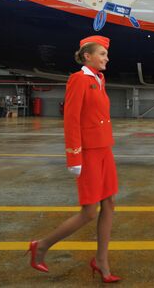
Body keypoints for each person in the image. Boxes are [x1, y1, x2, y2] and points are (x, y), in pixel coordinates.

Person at [27, 35, 121, 283]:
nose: (106, 58)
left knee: (109, 204)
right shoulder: (78, 80)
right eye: (102, 54)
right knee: (89, 212)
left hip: (104, 149)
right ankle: (42, 246)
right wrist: (74, 156)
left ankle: (101, 260)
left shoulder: (99, 79)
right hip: (89, 152)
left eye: (106, 54)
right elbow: (71, 120)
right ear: (88, 56)